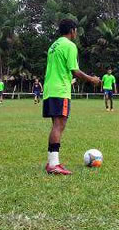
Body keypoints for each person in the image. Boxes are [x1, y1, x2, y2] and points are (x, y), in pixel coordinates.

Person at [43, 18, 101, 175]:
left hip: (49, 90)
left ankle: (51, 162)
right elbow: (75, 70)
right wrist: (92, 79)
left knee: (56, 124)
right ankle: (54, 164)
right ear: (73, 30)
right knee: (59, 125)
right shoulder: (70, 45)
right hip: (60, 91)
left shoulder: (53, 46)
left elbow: (61, 70)